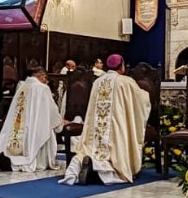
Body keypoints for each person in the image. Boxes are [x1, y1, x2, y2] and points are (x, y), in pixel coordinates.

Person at [61, 54, 152, 185]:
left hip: (96, 128)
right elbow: (140, 100)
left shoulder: (98, 82)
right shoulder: (126, 81)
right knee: (116, 146)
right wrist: (147, 95)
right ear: (121, 66)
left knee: (93, 146)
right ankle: (105, 168)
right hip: (116, 127)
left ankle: (92, 163)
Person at [0, 67, 64, 172]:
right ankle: (8, 163)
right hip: (35, 126)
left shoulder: (22, 86)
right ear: (41, 76)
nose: (45, 80)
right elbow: (51, 110)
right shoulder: (42, 88)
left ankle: (5, 160)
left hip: (19, 125)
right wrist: (60, 123)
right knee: (46, 133)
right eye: (45, 77)